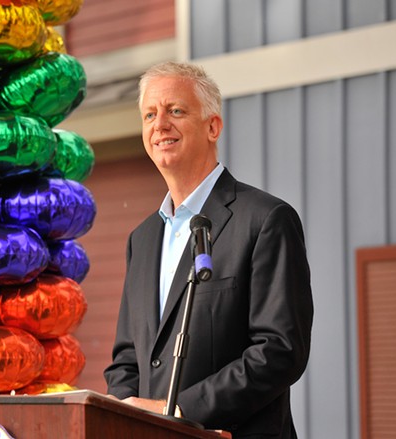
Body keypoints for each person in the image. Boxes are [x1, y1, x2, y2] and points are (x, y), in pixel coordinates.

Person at [103, 61, 314, 438]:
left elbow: (279, 350)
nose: (160, 124)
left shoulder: (266, 219)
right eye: (149, 114)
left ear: (213, 126)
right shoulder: (143, 238)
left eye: (176, 111)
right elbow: (127, 359)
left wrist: (181, 410)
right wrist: (125, 416)